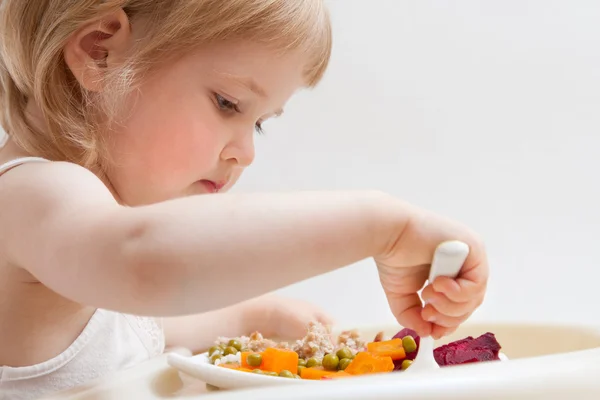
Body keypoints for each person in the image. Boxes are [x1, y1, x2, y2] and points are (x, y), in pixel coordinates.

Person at [0, 1, 489, 398]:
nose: (246, 153)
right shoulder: (31, 193)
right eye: (228, 104)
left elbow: (132, 329)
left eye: (258, 123)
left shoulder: (77, 245)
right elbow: (143, 262)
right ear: (98, 51)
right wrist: (384, 227)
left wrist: (257, 317)